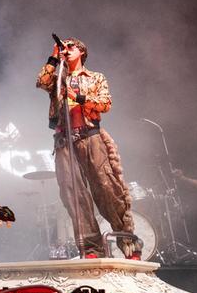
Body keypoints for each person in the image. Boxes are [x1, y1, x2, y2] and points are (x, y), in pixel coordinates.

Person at [36, 37, 139, 259]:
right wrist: (54, 57)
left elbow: (105, 103)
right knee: (73, 193)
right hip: (64, 140)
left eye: (71, 46)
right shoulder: (57, 78)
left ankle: (127, 242)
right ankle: (91, 248)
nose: (67, 49)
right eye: (64, 47)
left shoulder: (95, 77)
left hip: (90, 136)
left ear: (82, 51)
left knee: (107, 187)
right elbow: (42, 81)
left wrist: (78, 97)